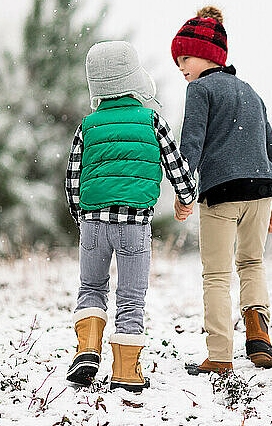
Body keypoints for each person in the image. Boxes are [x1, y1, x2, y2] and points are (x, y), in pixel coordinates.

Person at [65, 40, 195, 392]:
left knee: (91, 287)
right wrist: (186, 197)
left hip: (93, 222)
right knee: (130, 296)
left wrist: (83, 217)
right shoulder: (151, 120)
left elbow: (73, 176)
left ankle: (88, 350)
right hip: (135, 226)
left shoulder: (88, 125)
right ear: (133, 78)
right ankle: (126, 371)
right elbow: (176, 166)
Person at [171, 6, 272, 374]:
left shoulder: (200, 90)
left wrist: (183, 193)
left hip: (220, 192)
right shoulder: (250, 91)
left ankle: (219, 356)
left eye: (184, 57)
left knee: (216, 274)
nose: (182, 67)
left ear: (205, 54)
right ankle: (259, 338)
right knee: (252, 263)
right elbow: (271, 149)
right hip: (262, 190)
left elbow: (192, 145)